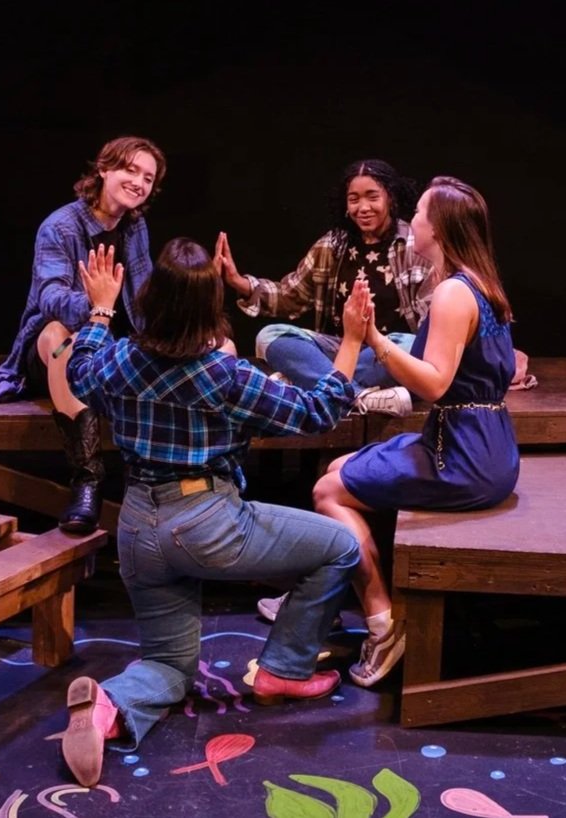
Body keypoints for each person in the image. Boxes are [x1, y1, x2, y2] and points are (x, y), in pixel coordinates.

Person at [59, 237, 372, 788]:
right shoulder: (224, 375)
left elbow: (78, 372)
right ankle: (283, 670)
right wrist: (349, 341)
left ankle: (109, 705)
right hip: (207, 522)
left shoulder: (119, 359)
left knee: (168, 668)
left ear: (152, 297)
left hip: (136, 525)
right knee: (340, 547)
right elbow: (319, 411)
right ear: (210, 307)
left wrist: (102, 308)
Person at [307, 175, 520, 688]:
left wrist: (371, 339)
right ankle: (329, 594)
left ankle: (383, 624)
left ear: (438, 227)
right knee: (340, 467)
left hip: (460, 457)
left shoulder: (452, 293)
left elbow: (434, 384)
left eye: (420, 212)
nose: (413, 221)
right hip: (487, 447)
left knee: (326, 492)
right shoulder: (481, 283)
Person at [0, 135, 167, 533]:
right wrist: (97, 303)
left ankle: (151, 487)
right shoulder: (60, 226)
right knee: (60, 336)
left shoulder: (135, 227)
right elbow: (50, 297)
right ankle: (87, 479)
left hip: (109, 346)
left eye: (148, 178)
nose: (139, 182)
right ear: (103, 169)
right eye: (130, 170)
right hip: (53, 350)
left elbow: (145, 294)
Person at [216, 158, 439, 417]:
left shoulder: (413, 245)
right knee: (269, 335)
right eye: (354, 199)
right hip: (339, 349)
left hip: (388, 353)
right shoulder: (332, 246)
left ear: (390, 197)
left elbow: (431, 322)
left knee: (415, 344)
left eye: (372, 197)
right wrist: (239, 282)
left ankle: (309, 379)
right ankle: (359, 396)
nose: (363, 207)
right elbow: (290, 295)